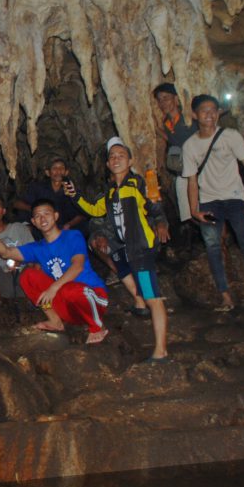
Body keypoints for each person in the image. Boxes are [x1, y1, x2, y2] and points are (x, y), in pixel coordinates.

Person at [69, 137, 171, 360]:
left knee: (153, 297)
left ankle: (161, 351)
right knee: (121, 263)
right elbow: (95, 210)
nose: (116, 159)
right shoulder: (110, 192)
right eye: (112, 157)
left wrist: (162, 223)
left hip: (141, 249)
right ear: (107, 164)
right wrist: (75, 196)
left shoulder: (137, 184)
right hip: (128, 248)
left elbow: (154, 206)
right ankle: (141, 307)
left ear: (130, 161)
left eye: (121, 156)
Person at [182, 94, 244, 316]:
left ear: (219, 113)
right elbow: (192, 181)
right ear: (195, 115)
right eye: (204, 110)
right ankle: (225, 295)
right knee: (213, 246)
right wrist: (194, 210)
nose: (210, 114)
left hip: (235, 198)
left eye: (214, 110)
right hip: (209, 200)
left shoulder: (231, 136)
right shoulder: (190, 146)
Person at [0, 199, 110, 343]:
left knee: (69, 290)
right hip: (68, 307)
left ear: (56, 216)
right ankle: (55, 321)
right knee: (27, 276)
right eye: (38, 216)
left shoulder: (72, 236)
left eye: (46, 213)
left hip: (94, 300)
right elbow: (5, 253)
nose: (42, 218)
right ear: (33, 222)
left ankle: (97, 327)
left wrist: (53, 288)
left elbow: (77, 266)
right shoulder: (38, 247)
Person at [153, 82, 198, 223]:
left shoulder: (189, 117)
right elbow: (172, 139)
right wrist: (156, 129)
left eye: (166, 98)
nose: (162, 103)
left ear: (176, 99)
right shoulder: (167, 123)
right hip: (182, 172)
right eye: (159, 100)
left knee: (205, 209)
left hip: (199, 171)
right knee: (187, 214)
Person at [13, 158, 84, 232]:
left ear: (66, 172)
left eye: (61, 168)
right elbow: (17, 204)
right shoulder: (37, 187)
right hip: (39, 229)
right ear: (48, 173)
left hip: (63, 229)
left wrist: (69, 224)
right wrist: (34, 209)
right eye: (54, 168)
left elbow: (81, 214)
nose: (58, 171)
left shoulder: (72, 191)